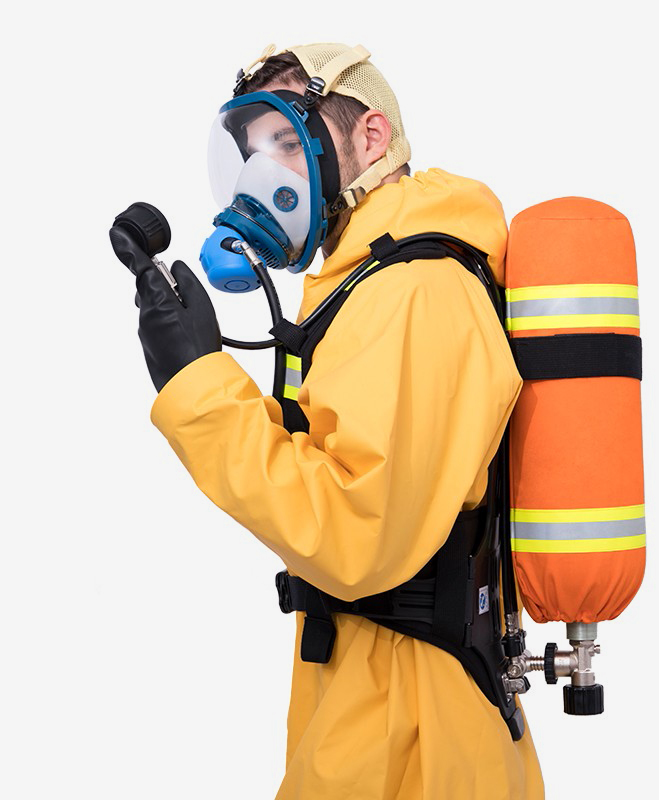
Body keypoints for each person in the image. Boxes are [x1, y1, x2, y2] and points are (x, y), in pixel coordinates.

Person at [117, 43, 545, 798]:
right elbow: (331, 463)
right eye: (255, 152)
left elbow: (359, 532)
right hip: (369, 703)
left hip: (413, 732)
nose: (263, 175)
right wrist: (209, 372)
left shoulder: (417, 290)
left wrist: (199, 388)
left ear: (371, 137)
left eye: (287, 141)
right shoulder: (366, 285)